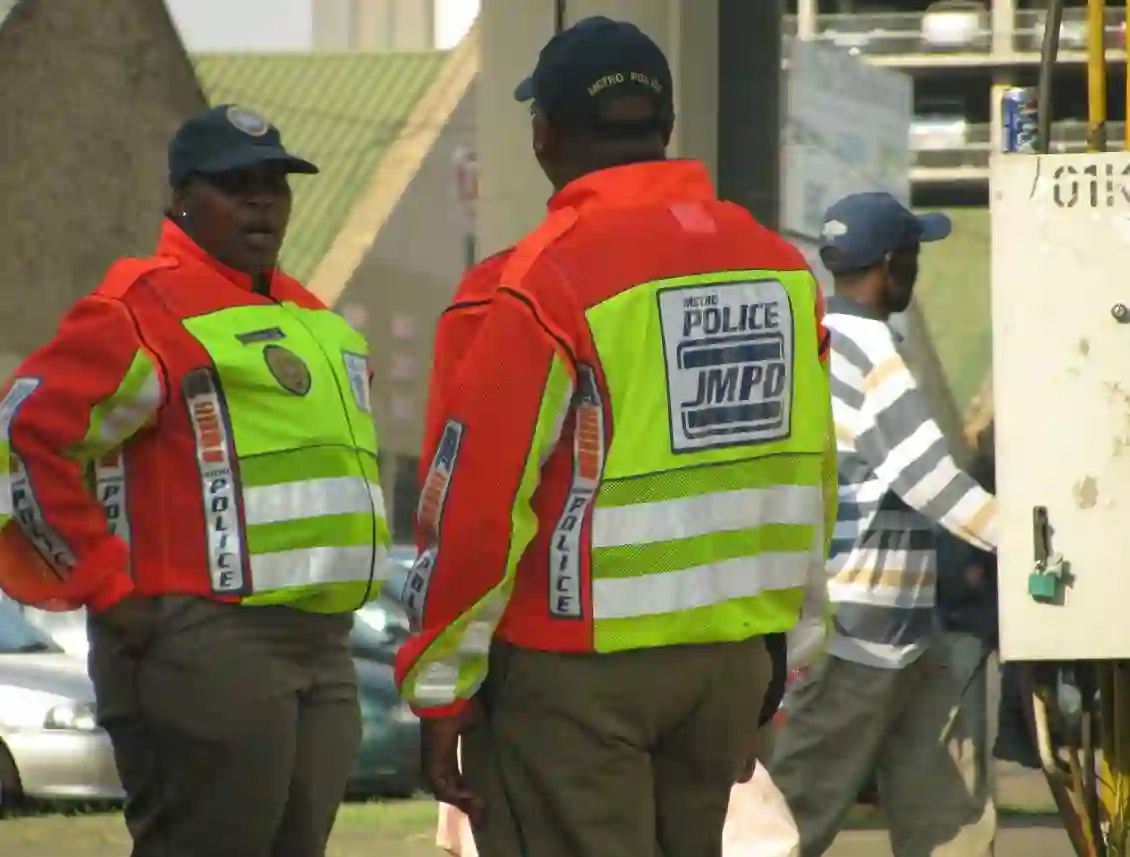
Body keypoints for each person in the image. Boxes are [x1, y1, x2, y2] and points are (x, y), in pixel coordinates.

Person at [389, 16, 836, 857]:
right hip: (729, 660)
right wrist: (780, 665)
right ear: (663, 129)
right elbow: (809, 476)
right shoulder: (781, 270)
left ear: (544, 135)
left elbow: (476, 509)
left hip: (579, 672)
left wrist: (442, 688)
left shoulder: (539, 284)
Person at [0, 104, 390, 857]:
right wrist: (105, 585)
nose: (262, 200)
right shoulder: (141, 308)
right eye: (235, 184)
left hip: (323, 641)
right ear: (181, 196)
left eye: (275, 184)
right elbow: (25, 433)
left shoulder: (307, 311)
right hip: (207, 637)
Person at [768, 192, 998, 857]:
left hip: (898, 632)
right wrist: (1037, 545)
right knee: (792, 823)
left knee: (942, 815)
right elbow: (932, 481)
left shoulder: (819, 343)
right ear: (894, 265)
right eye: (915, 257)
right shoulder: (873, 353)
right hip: (862, 636)